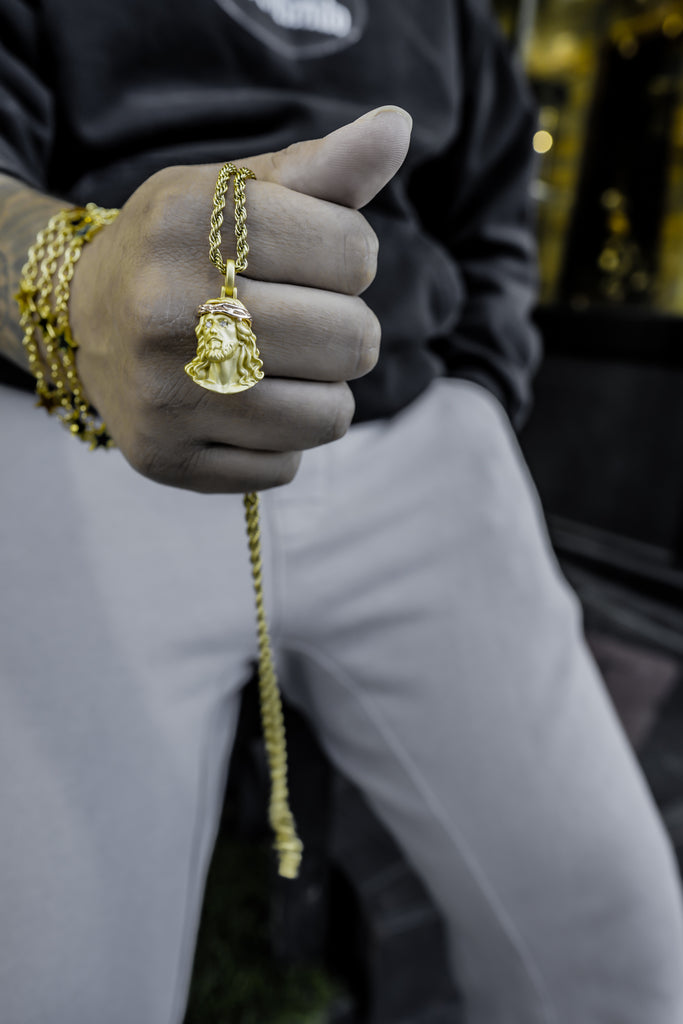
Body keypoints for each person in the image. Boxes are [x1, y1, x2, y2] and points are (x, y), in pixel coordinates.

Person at [1, 1, 682, 1022]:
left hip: (413, 443)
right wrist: (77, 289)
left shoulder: (449, 19)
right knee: (55, 985)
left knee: (619, 945)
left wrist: (477, 395)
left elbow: (491, 213)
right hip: (82, 426)